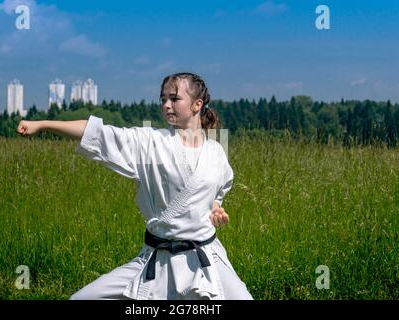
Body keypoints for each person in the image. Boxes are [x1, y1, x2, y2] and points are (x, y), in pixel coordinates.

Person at [16, 72, 253, 300]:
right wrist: (43, 124)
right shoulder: (149, 143)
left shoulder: (216, 152)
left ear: (197, 104)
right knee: (83, 298)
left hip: (205, 261)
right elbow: (97, 133)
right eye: (163, 99)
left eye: (174, 98)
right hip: (157, 259)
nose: (166, 105)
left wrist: (215, 210)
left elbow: (216, 193)